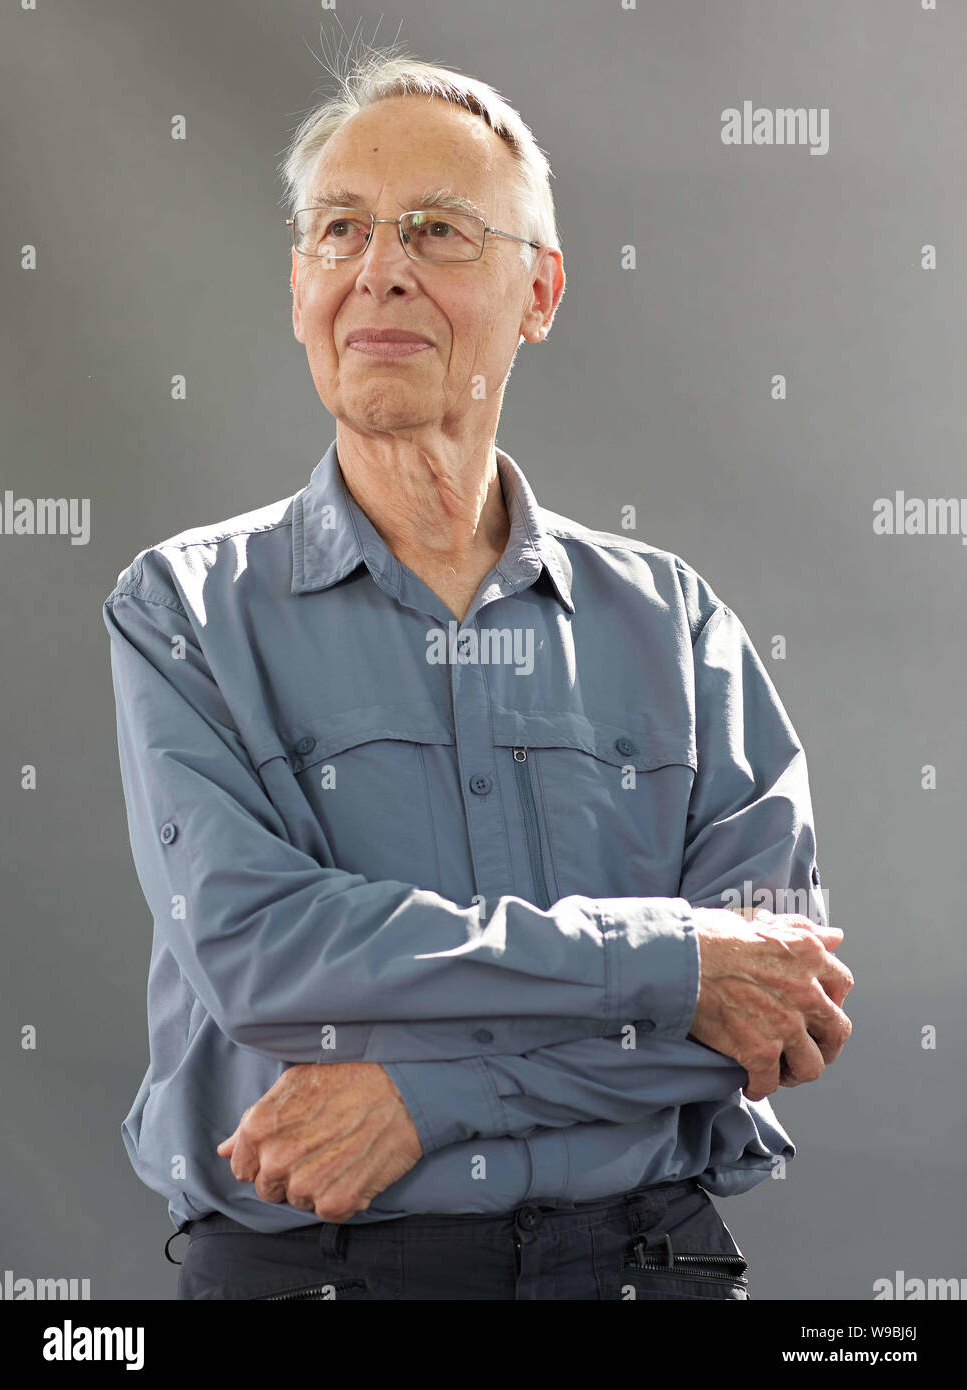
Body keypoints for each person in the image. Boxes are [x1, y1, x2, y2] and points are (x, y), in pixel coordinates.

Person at [101, 49, 853, 1301]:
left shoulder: (673, 623)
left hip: (643, 1264)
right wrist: (668, 960)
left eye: (437, 231)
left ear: (540, 289)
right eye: (338, 228)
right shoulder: (185, 609)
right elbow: (261, 952)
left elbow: (779, 1001)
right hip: (317, 1278)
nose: (376, 266)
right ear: (299, 285)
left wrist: (429, 1094)